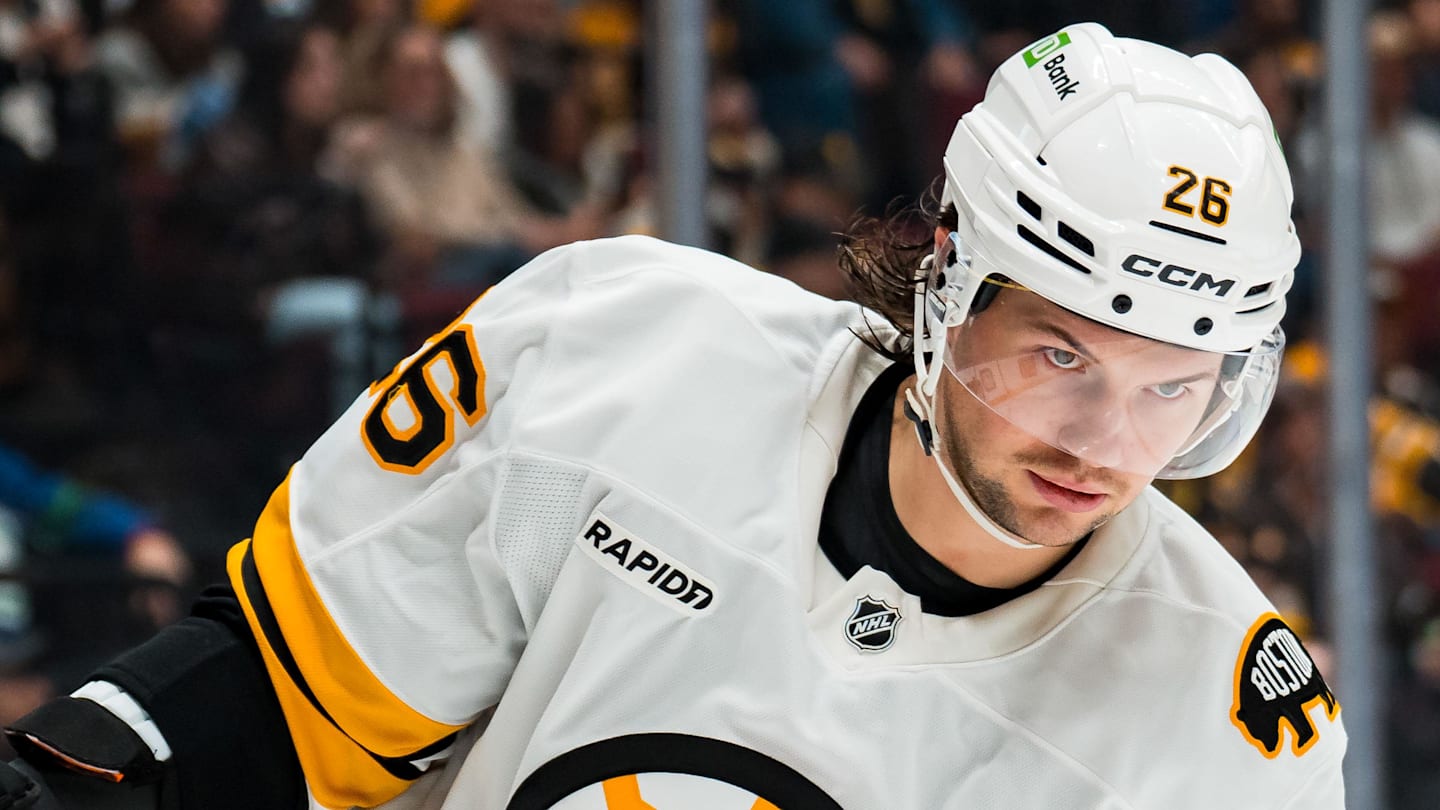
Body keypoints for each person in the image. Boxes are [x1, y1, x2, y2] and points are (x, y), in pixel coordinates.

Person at [0, 23, 1345, 809]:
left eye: (1175, 386)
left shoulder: (1223, 735)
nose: (1106, 443)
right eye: (1058, 355)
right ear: (946, 282)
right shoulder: (627, 360)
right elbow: (287, 710)